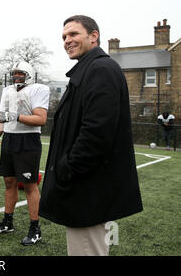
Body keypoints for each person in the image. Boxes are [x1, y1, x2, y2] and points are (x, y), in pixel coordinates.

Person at [39, 15, 143, 256]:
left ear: (93, 36)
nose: (67, 40)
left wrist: (68, 168)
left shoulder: (100, 69)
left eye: (74, 34)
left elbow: (97, 133)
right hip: (87, 187)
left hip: (87, 190)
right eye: (64, 37)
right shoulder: (90, 68)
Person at [0, 62, 50, 246]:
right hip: (9, 139)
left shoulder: (38, 89)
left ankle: (35, 229)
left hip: (27, 140)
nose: (16, 77)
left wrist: (16, 116)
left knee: (29, 185)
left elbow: (41, 119)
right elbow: (1, 119)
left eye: (20, 74)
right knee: (9, 182)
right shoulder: (7, 91)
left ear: (28, 74)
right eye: (14, 74)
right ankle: (8, 222)